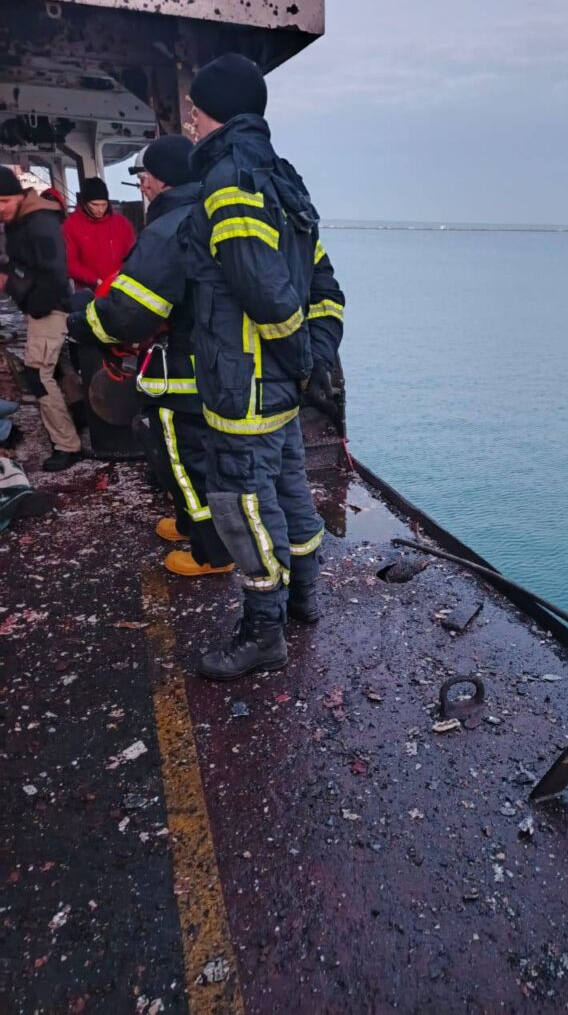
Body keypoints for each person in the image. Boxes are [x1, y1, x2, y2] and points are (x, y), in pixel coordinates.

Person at [185, 52, 345, 681]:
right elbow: (323, 285)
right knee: (290, 494)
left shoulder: (228, 182)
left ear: (214, 111)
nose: (192, 124)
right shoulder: (285, 178)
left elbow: (268, 292)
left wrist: (303, 360)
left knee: (242, 506)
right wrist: (317, 357)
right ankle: (303, 600)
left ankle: (262, 633)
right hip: (277, 387)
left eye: (195, 112)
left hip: (243, 385)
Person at [67, 136, 233, 576]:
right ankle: (189, 525)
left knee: (186, 461)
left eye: (142, 176)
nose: (140, 185)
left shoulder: (167, 229)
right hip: (217, 368)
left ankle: (211, 552)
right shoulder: (212, 215)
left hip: (181, 374)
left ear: (159, 179)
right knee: (201, 459)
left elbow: (127, 315)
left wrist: (81, 321)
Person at [0, 166, 83, 471]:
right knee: (61, 369)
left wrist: (27, 297)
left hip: (48, 309)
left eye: (3, 201)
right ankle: (81, 415)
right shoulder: (21, 222)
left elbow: (55, 274)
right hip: (42, 307)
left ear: (19, 197)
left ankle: (66, 445)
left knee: (38, 374)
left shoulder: (39, 224)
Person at [62, 176, 135, 291]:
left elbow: (132, 255)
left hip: (120, 287)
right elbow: (69, 261)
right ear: (85, 203)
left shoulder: (122, 223)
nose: (100, 209)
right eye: (95, 205)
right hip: (88, 290)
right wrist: (93, 280)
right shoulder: (71, 225)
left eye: (104, 204)